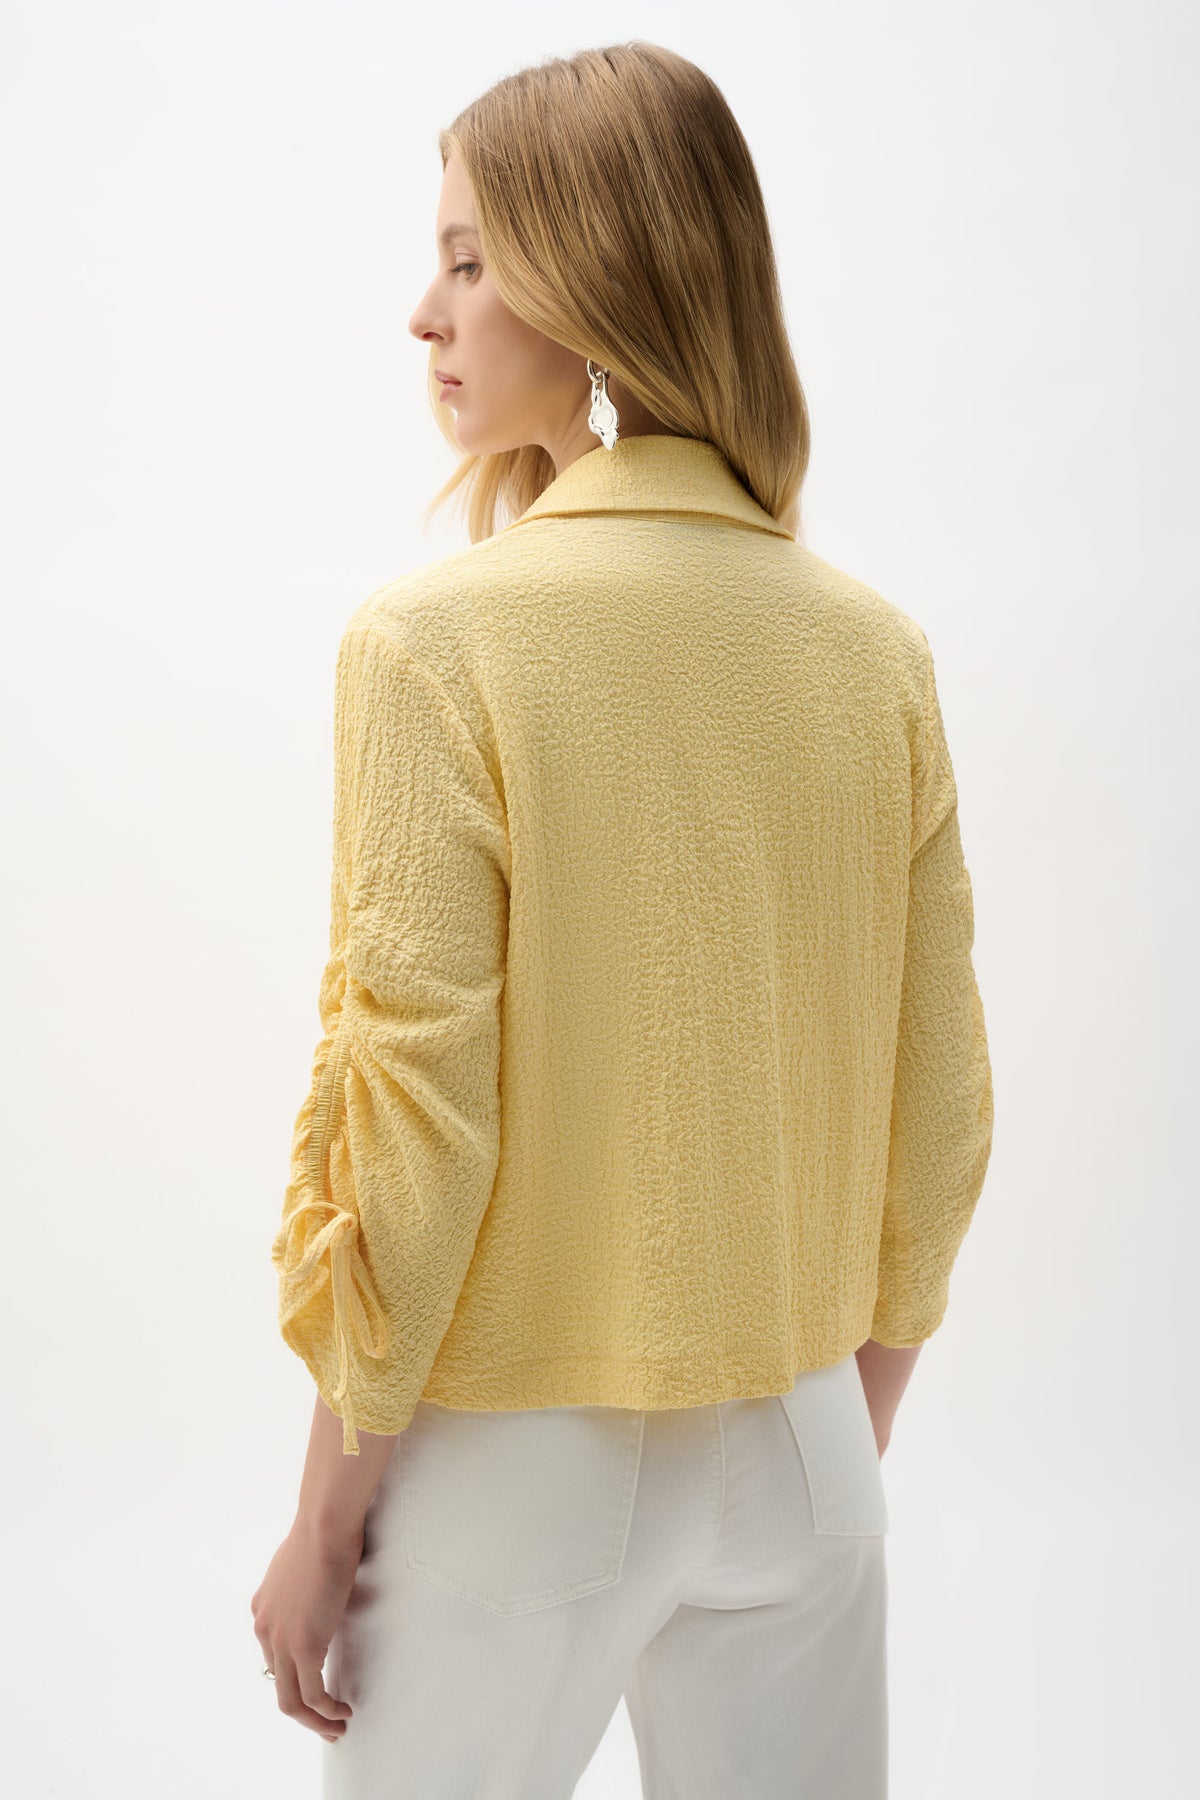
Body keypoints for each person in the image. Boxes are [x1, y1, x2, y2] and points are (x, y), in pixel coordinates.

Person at [250, 40, 994, 1799]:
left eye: (468, 259)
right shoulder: (874, 654)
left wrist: (324, 1516)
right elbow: (943, 1113)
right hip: (810, 1444)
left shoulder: (436, 647)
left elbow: (419, 1129)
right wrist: (835, 1431)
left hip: (525, 1466)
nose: (425, 315)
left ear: (596, 285)